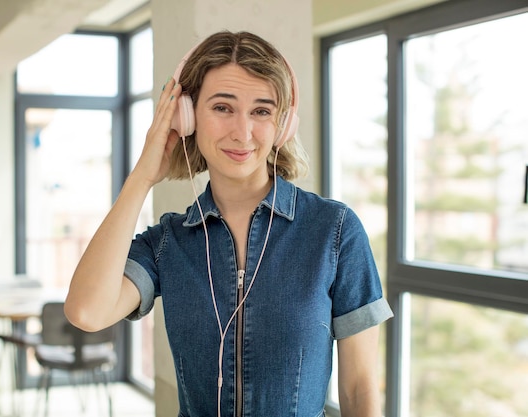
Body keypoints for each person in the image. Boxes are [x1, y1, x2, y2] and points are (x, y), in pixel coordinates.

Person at [65, 30, 393, 417]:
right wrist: (143, 176)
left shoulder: (334, 231)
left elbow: (359, 389)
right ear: (187, 117)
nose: (242, 132)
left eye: (262, 111)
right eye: (223, 107)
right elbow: (87, 312)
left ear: (282, 126)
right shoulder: (168, 242)